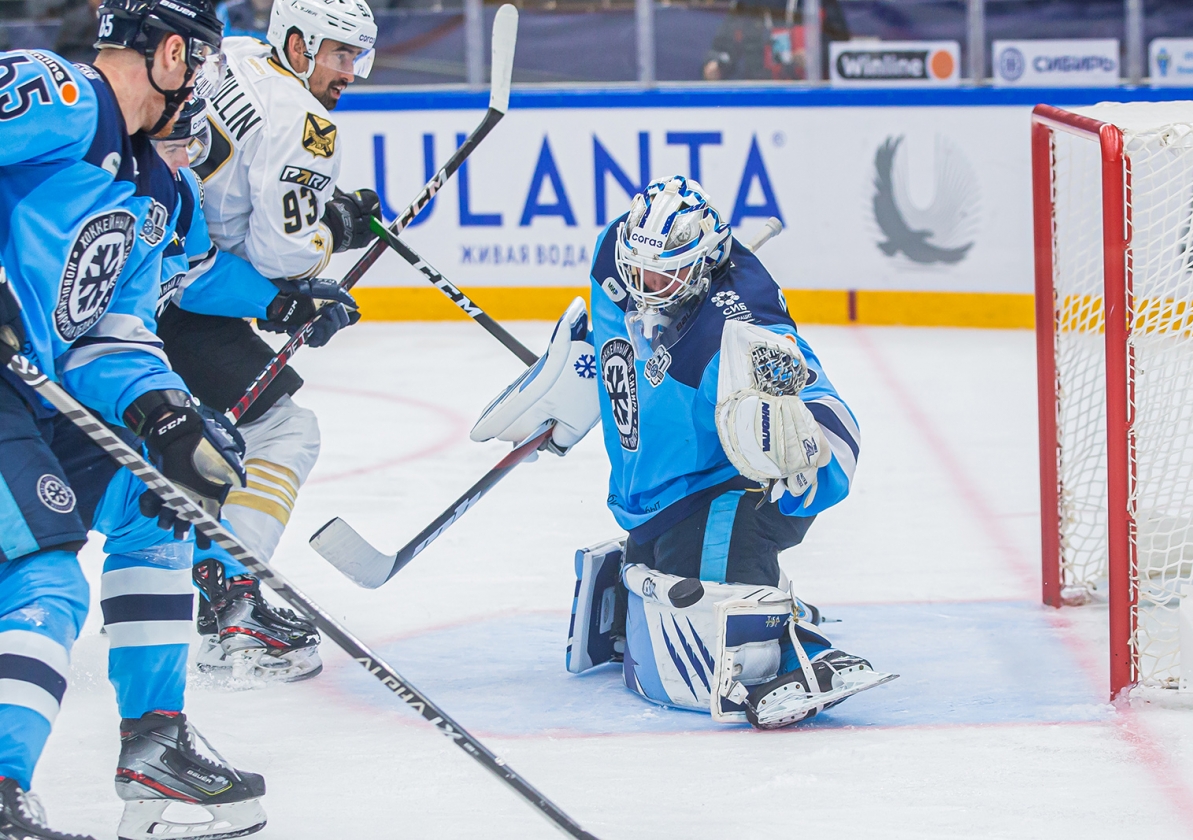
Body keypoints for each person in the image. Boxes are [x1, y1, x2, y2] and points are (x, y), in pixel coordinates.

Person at [471, 176, 893, 730]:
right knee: (652, 580)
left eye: (665, 275)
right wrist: (574, 380)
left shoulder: (742, 325)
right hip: (657, 492)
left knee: (705, 607)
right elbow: (613, 333)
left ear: (705, 263)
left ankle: (799, 652)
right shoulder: (614, 254)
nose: (646, 286)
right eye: (639, 271)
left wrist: (806, 449)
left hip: (728, 491)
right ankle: (755, 595)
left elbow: (828, 412)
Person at [0, 0, 270, 837]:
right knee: (45, 578)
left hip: (33, 386)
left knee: (157, 500)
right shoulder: (59, 98)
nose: (204, 83)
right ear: (171, 53)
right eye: (202, 61)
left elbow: (110, 332)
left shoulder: (156, 186)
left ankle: (155, 750)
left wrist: (167, 417)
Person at [156, 0, 381, 681]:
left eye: (356, 54)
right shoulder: (306, 123)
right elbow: (282, 257)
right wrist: (326, 239)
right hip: (174, 294)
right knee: (281, 433)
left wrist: (322, 224)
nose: (351, 72)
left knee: (198, 438)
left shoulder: (243, 55)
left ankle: (195, 585)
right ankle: (235, 605)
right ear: (297, 41)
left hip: (163, 275)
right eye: (339, 53)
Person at [702, 0, 850, 81]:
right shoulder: (746, 4)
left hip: (808, 95)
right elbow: (725, 45)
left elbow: (840, 43)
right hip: (761, 95)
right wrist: (715, 64)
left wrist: (815, 57)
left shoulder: (819, 3)